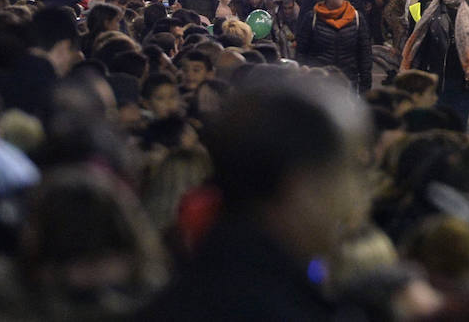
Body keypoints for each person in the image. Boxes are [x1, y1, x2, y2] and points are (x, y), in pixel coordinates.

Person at [143, 73, 371, 321]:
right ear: (301, 183)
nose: (357, 195)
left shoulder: (192, 279)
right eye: (348, 172)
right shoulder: (274, 305)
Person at [296, 0, 373, 93]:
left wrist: (365, 86)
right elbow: (301, 52)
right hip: (318, 84)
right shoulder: (312, 18)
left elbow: (365, 54)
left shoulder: (357, 18)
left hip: (348, 83)